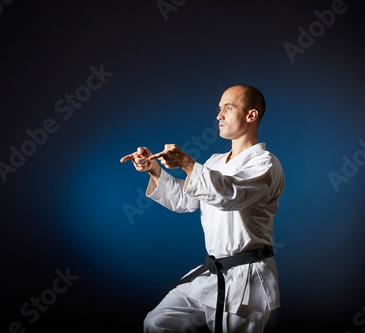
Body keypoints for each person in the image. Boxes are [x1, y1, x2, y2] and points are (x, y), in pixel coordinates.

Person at [120, 85, 285, 333]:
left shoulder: (266, 163)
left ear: (251, 115)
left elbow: (230, 195)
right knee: (158, 323)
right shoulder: (215, 162)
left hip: (247, 278)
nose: (219, 116)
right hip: (212, 273)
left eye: (227, 109)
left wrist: (187, 163)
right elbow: (184, 201)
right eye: (219, 109)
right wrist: (154, 170)